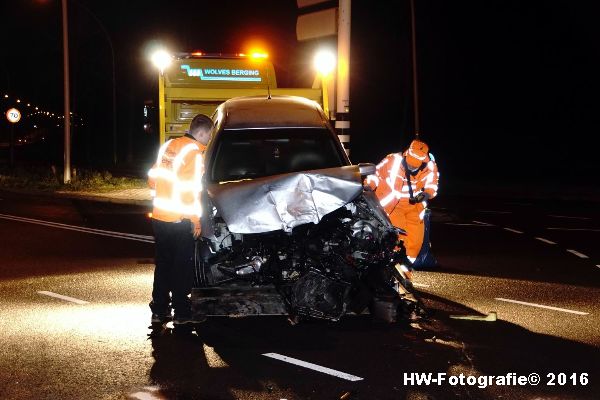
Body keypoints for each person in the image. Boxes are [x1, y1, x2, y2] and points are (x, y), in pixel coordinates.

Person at [147, 114, 213, 325]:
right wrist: (195, 220)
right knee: (181, 267)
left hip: (159, 216)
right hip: (179, 218)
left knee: (163, 264)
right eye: (209, 135)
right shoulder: (194, 154)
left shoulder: (169, 146)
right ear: (202, 132)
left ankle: (159, 311)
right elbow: (191, 191)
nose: (209, 139)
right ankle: (182, 314)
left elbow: (152, 178)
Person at [366, 139, 439, 266]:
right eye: (410, 164)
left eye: (415, 165)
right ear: (406, 154)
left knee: (415, 241)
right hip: (392, 206)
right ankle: (394, 269)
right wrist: (368, 186)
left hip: (415, 207)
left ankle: (406, 268)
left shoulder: (430, 166)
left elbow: (432, 185)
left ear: (424, 160)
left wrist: (426, 194)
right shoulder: (392, 160)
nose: (411, 167)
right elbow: (375, 174)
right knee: (398, 239)